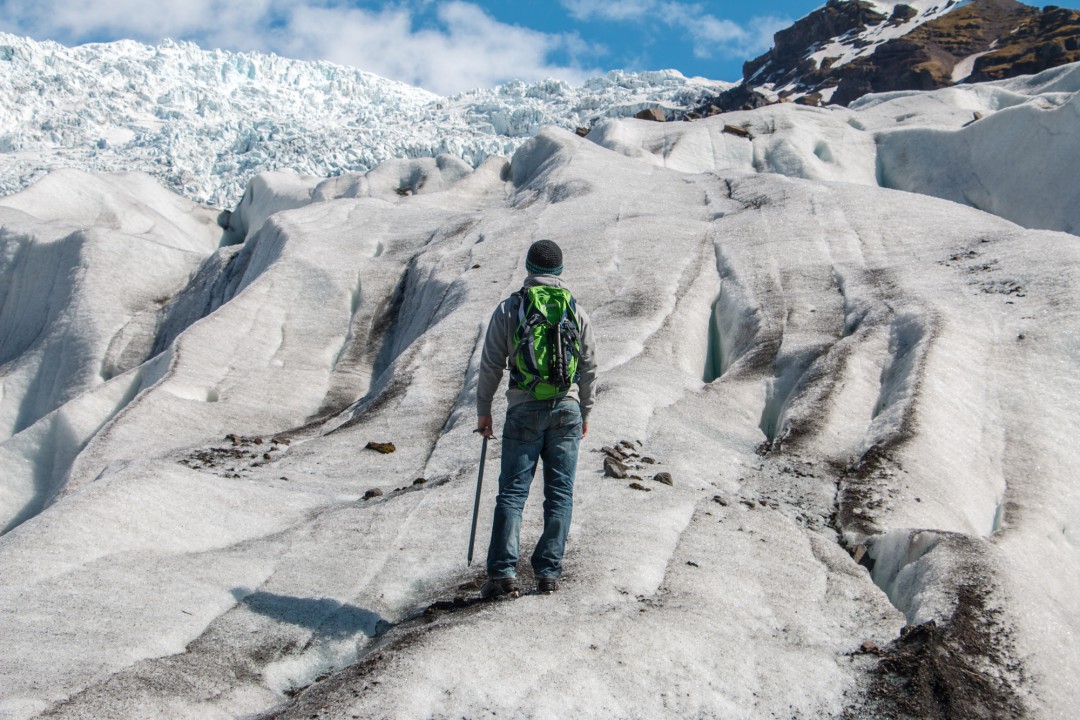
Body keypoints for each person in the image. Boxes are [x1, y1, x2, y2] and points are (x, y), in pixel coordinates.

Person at [476, 239, 597, 597]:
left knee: (513, 493)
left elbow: (491, 364)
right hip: (567, 409)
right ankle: (548, 573)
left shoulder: (510, 308)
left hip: (523, 408)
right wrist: (585, 410)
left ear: (529, 268)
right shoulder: (575, 310)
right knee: (560, 493)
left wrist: (484, 411)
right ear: (559, 271)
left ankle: (503, 575)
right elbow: (589, 366)